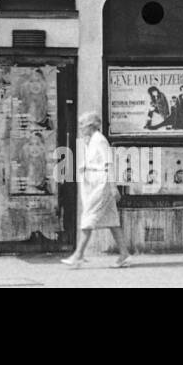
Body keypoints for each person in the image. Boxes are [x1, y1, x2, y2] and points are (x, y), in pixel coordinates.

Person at [63, 112, 132, 268]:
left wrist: (113, 186)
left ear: (90, 126)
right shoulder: (91, 141)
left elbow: (109, 163)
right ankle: (124, 255)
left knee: (88, 216)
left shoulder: (100, 140)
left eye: (83, 125)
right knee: (112, 220)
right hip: (94, 183)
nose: (80, 128)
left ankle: (78, 255)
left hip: (101, 184)